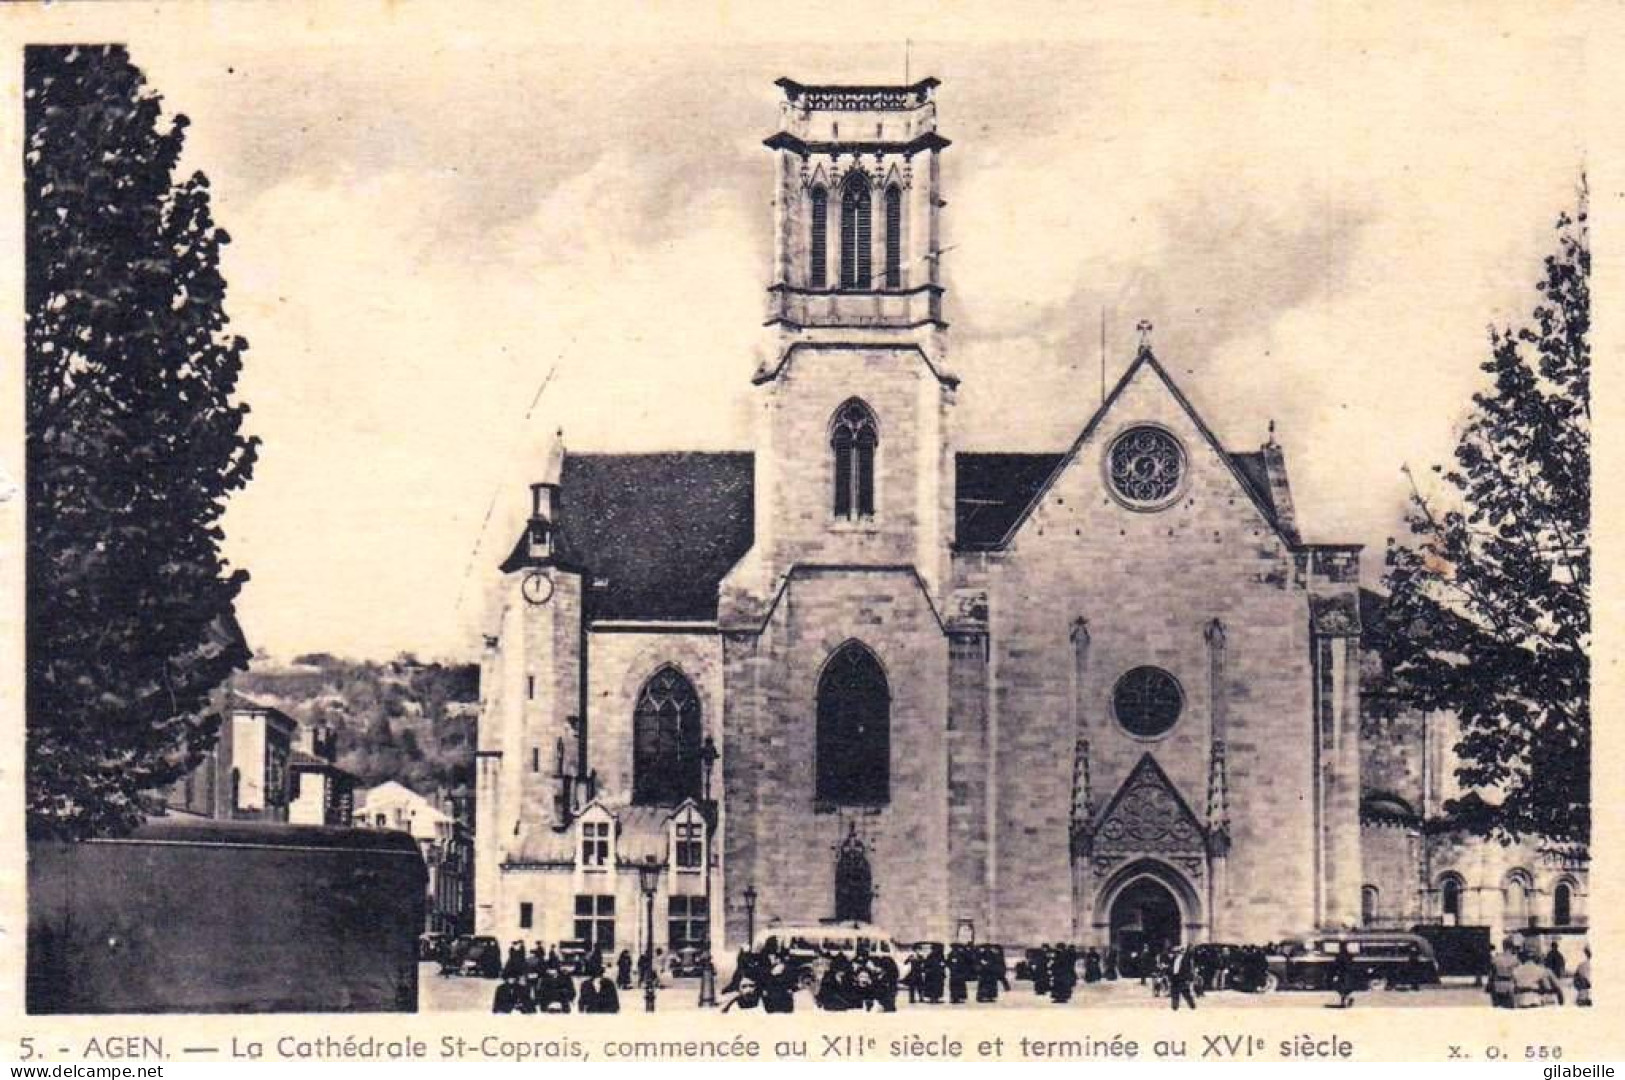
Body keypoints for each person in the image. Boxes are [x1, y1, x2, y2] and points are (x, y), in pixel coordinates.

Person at [1488, 939, 1519, 1008]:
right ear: (1511, 946)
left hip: (1497, 984)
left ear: (1503, 946)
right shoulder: (1515, 959)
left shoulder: (1496, 958)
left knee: (1497, 1008)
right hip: (1509, 985)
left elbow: (1492, 974)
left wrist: (1489, 985)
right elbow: (1517, 975)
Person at [1167, 946, 1198, 1011]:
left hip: (1182, 978)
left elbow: (1189, 969)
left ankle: (1192, 1006)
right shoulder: (1173, 959)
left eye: (1177, 952)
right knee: (1174, 992)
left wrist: (1189, 979)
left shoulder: (1186, 959)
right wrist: (1170, 976)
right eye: (1174, 952)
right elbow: (1171, 968)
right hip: (1175, 977)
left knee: (1186, 993)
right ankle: (1174, 1007)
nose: (1175, 953)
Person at [1331, 944, 1356, 1009]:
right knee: (1345, 989)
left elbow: (1336, 965)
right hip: (1347, 974)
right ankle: (1345, 1001)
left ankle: (1344, 1002)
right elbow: (1351, 964)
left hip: (1342, 974)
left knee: (1341, 988)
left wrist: (1335, 974)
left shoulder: (1339, 956)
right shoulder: (1350, 956)